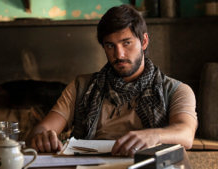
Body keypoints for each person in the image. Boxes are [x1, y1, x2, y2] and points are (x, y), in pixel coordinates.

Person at [28, 4, 198, 157]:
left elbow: (185, 133)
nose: (119, 54)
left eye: (126, 43)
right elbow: (43, 128)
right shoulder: (82, 86)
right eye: (110, 45)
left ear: (144, 41)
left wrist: (154, 135)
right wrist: (42, 136)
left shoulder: (176, 90)